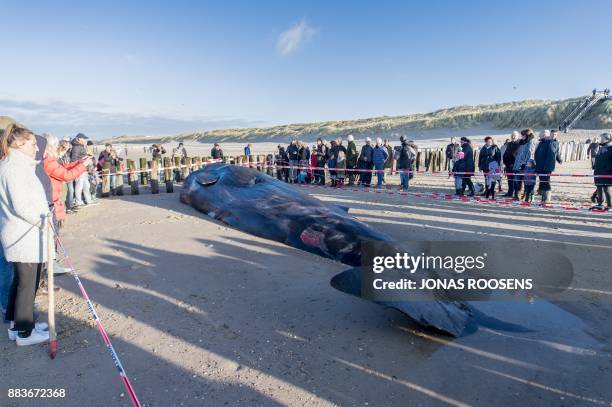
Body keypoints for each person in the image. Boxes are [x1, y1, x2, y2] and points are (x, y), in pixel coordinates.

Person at [0, 123, 51, 346]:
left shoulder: (15, 165)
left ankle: (17, 326)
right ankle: (24, 333)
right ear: (18, 144)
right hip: (25, 235)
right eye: (32, 144)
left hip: (24, 234)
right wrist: (44, 221)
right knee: (26, 285)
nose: (36, 148)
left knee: (20, 283)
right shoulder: (13, 168)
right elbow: (21, 206)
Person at [43, 134, 91, 273]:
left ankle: (52, 263)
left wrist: (79, 163)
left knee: (54, 234)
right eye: (56, 145)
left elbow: (63, 168)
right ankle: (51, 265)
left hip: (54, 199)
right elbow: (66, 175)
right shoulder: (48, 161)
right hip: (52, 200)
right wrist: (83, 165)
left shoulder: (49, 160)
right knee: (52, 235)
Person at [534, 129, 562, 203]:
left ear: (545, 134)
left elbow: (552, 155)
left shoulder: (551, 142)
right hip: (540, 167)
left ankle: (546, 199)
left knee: (546, 182)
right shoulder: (542, 142)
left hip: (545, 168)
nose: (539, 135)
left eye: (540, 134)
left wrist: (547, 168)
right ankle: (543, 199)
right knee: (542, 182)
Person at [70, 133, 94, 207]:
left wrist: (86, 158)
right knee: (79, 186)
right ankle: (78, 202)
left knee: (86, 185)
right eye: (83, 139)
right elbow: (73, 159)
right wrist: (84, 160)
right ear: (79, 139)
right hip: (79, 169)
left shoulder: (80, 146)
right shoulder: (76, 147)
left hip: (83, 169)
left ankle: (88, 200)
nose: (85, 140)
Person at [512, 128, 535, 200]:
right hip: (517, 165)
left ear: (527, 135)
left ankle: (526, 195)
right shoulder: (522, 142)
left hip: (525, 166)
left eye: (523, 135)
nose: (522, 137)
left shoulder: (530, 142)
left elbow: (529, 154)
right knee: (517, 181)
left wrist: (524, 164)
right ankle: (517, 195)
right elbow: (519, 153)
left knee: (527, 182)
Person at [591, 133, 612, 211]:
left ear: (607, 139)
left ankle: (610, 206)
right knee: (599, 188)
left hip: (607, 173)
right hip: (598, 172)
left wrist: (609, 169)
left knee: (607, 189)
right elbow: (597, 159)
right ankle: (600, 204)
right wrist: (594, 167)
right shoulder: (600, 147)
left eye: (602, 138)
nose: (600, 139)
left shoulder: (611, 148)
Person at [502, 131, 520, 197]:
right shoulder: (509, 143)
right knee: (509, 180)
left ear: (518, 136)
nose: (513, 136)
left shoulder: (519, 143)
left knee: (515, 180)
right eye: (512, 135)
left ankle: (516, 194)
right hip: (507, 164)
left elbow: (517, 154)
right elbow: (506, 153)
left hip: (515, 164)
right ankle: (510, 193)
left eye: (515, 135)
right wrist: (504, 162)